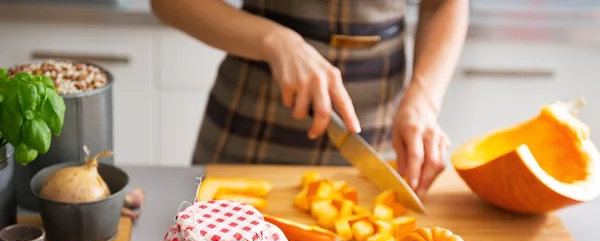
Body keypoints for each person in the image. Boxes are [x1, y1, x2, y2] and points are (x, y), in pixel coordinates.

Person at [151, 0, 469, 197]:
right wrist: (276, 41)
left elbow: (445, 3)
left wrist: (423, 100)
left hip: (381, 131)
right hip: (247, 129)